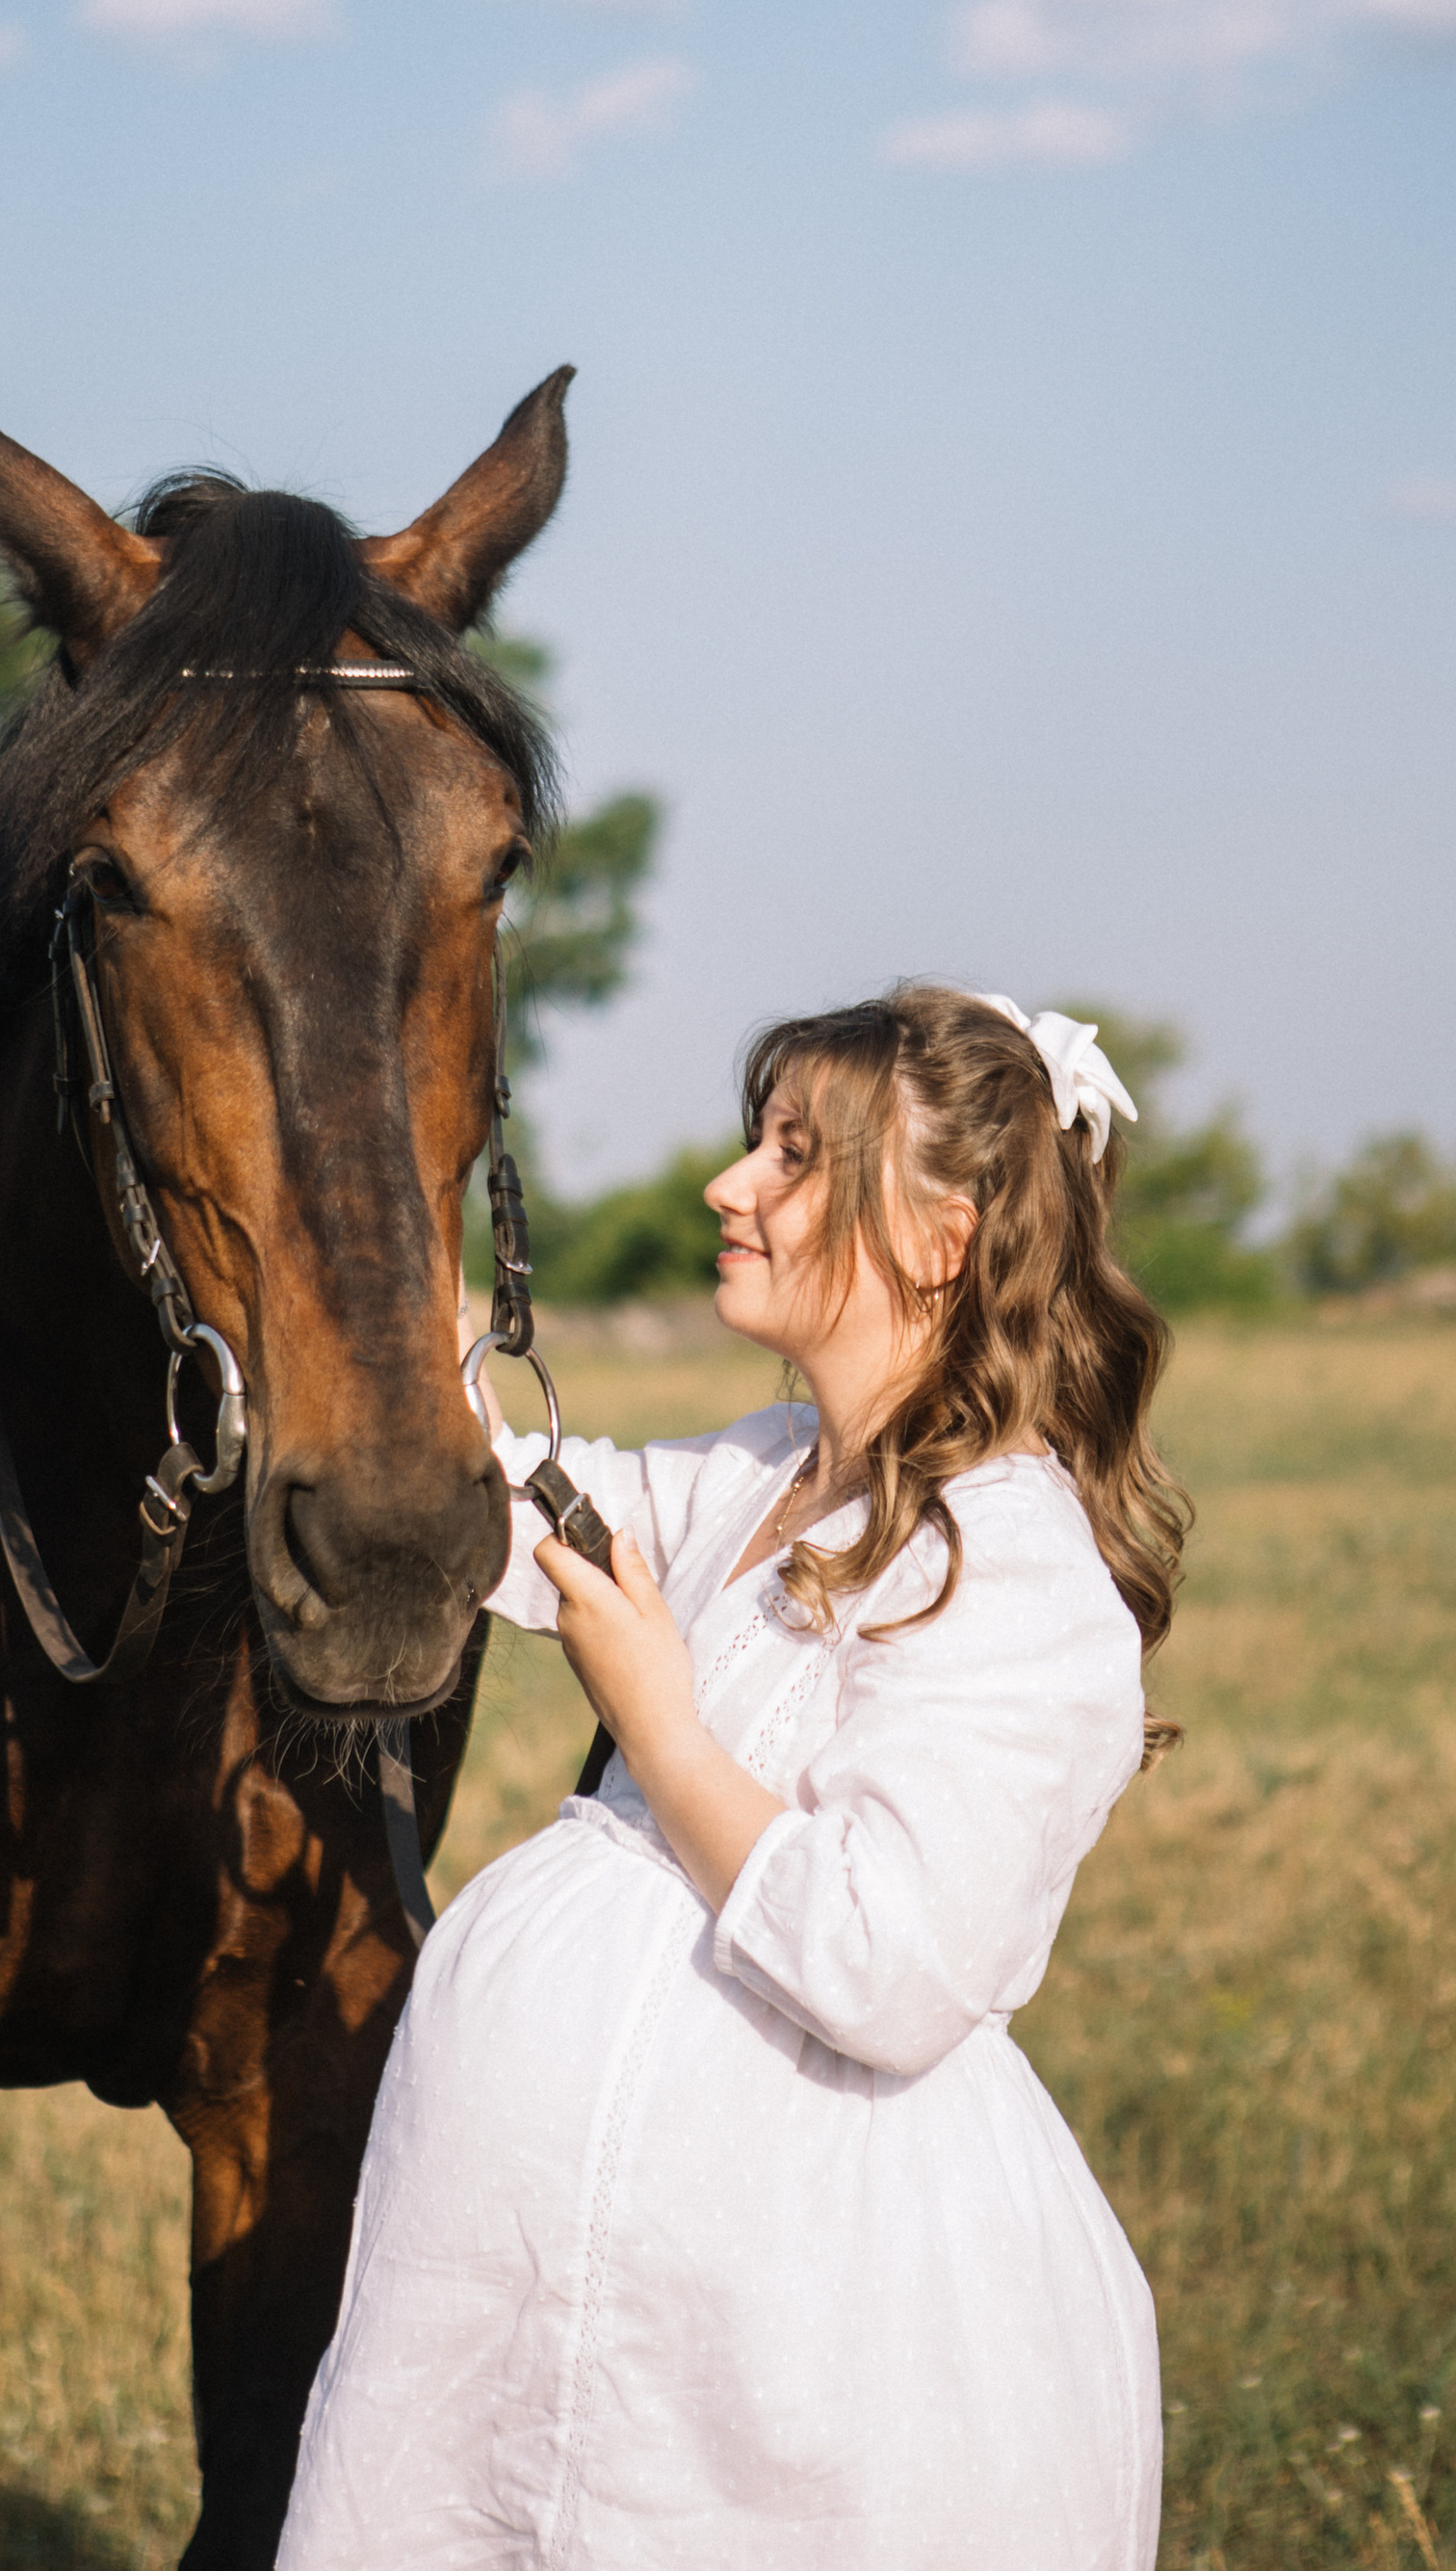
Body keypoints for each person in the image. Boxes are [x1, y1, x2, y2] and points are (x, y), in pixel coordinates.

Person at [276, 984, 1187, 2571]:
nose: (728, 1186)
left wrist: (664, 1730)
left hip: (792, 2317)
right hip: (558, 2309)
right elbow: (517, 1514)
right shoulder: (763, 1478)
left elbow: (890, 1964)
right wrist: (382, 1314)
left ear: (942, 1240)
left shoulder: (1017, 1573)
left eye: (793, 1157)